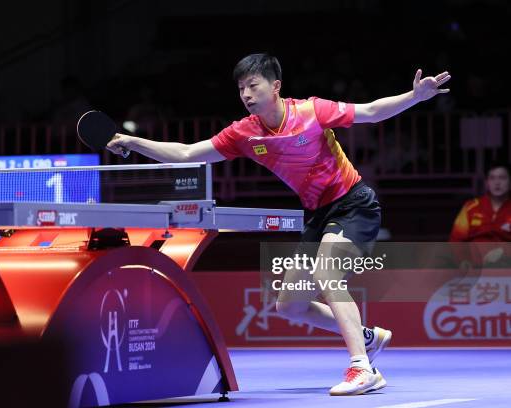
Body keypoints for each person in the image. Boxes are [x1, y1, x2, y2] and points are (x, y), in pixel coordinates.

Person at [107, 53, 451, 395]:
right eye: (241, 88)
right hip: (318, 215)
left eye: (252, 85)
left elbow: (372, 112)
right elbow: (185, 154)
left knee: (326, 274)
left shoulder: (311, 111)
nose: (245, 94)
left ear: (276, 86)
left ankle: (362, 366)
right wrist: (134, 142)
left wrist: (414, 97)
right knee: (290, 305)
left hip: (353, 204)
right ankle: (366, 336)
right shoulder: (244, 133)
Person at [450, 162, 511, 267]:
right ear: (486, 183)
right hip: (475, 269)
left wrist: (504, 251)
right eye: (492, 178)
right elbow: (456, 240)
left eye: (502, 178)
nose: (497, 183)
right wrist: (463, 260)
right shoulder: (470, 207)